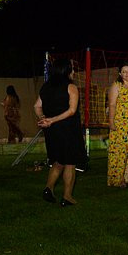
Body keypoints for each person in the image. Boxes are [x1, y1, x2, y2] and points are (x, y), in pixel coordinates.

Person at [34, 59, 86, 206]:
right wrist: (51, 120)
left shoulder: (46, 87)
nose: (74, 72)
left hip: (52, 131)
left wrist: (43, 118)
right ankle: (67, 196)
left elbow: (36, 106)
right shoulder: (71, 87)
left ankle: (48, 188)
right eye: (72, 69)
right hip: (68, 129)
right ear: (66, 70)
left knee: (58, 161)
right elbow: (72, 110)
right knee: (70, 163)